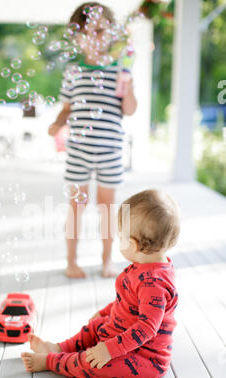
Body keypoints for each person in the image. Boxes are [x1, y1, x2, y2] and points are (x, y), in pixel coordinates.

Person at [21, 189, 181, 378]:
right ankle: (60, 348)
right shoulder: (144, 268)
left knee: (96, 366)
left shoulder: (154, 284)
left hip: (143, 357)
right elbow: (127, 303)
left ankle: (52, 361)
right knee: (97, 326)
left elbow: (146, 329)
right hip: (122, 334)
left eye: (120, 238)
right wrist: (106, 312)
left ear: (133, 244)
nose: (119, 241)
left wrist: (109, 350)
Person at [48, 2, 137, 279]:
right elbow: (67, 108)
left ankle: (107, 261)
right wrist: (57, 124)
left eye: (100, 31)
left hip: (110, 150)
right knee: (76, 207)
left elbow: (129, 109)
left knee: (107, 209)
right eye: (87, 32)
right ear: (77, 37)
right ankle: (71, 261)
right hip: (78, 151)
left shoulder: (120, 71)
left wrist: (129, 88)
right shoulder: (73, 71)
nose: (95, 37)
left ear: (111, 33)